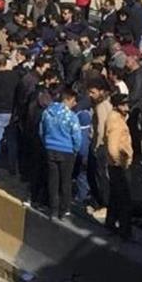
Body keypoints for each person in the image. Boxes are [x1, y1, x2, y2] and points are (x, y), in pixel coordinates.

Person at [40, 87, 83, 220]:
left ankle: (53, 210)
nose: (75, 104)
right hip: (67, 151)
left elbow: (41, 131)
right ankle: (64, 210)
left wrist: (47, 143)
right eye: (74, 101)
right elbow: (77, 137)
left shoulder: (47, 112)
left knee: (53, 180)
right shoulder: (71, 116)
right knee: (65, 181)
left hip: (50, 149)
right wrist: (76, 149)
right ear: (68, 99)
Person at [104, 93, 134, 239]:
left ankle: (110, 223)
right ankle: (125, 231)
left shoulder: (116, 118)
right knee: (124, 199)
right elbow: (112, 147)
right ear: (117, 106)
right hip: (119, 166)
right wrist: (119, 162)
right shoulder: (116, 122)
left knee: (115, 197)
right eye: (124, 105)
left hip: (116, 165)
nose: (127, 108)